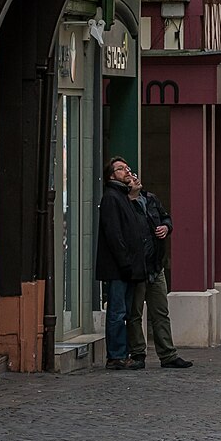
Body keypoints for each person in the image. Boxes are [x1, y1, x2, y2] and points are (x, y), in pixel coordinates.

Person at [127, 172, 192, 371]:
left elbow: (166, 218)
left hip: (156, 265)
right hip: (137, 268)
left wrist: (166, 227)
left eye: (136, 175)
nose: (136, 178)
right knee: (135, 312)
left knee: (161, 311)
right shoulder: (124, 205)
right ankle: (138, 354)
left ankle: (168, 354)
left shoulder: (151, 199)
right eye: (130, 178)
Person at [95, 158, 151, 370]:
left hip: (129, 267)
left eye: (127, 168)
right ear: (111, 175)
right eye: (121, 169)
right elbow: (114, 233)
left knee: (126, 312)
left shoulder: (125, 197)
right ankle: (116, 355)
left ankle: (122, 353)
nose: (127, 171)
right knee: (117, 312)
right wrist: (125, 261)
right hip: (119, 267)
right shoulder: (111, 197)